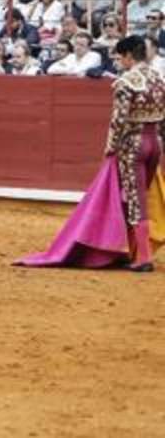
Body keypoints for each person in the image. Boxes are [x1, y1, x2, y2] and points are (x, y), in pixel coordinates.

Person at [19, 36, 164, 271]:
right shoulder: (158, 79)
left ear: (128, 55)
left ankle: (143, 257)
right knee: (141, 197)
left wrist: (110, 147)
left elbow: (119, 121)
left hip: (133, 145)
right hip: (154, 142)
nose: (119, 61)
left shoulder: (126, 82)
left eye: (119, 57)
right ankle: (135, 251)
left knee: (136, 201)